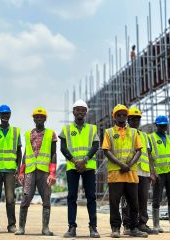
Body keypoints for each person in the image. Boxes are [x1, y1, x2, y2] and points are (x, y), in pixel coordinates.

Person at [102, 104, 147, 238]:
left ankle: (133, 228)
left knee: (134, 203)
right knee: (114, 203)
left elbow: (139, 150)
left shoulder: (133, 132)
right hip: (116, 173)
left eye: (124, 115)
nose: (122, 117)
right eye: (119, 115)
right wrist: (121, 164)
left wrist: (129, 165)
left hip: (131, 173)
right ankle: (115, 228)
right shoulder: (109, 132)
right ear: (114, 117)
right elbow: (106, 150)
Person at [59, 99, 100, 238]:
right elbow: (62, 147)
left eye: (83, 110)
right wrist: (75, 161)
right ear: (73, 112)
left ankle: (93, 228)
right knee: (71, 197)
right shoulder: (66, 129)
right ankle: (71, 227)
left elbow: (95, 146)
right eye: (78, 110)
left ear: (86, 112)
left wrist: (85, 160)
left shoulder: (92, 128)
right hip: (72, 166)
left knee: (91, 197)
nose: (80, 112)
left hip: (88, 167)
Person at [15, 107, 57, 236]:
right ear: (33, 119)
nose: (39, 119)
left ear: (45, 119)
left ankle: (45, 228)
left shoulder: (51, 134)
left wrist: (52, 173)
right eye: (37, 117)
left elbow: (53, 154)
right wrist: (21, 172)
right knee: (26, 197)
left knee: (46, 199)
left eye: (41, 117)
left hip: (44, 171)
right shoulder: (28, 134)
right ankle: (21, 228)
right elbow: (26, 154)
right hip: (30, 171)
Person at [121, 107, 158, 235]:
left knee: (143, 199)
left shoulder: (144, 135)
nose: (136, 121)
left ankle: (142, 223)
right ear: (128, 119)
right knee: (129, 199)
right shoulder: (124, 133)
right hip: (131, 171)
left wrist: (152, 172)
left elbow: (148, 154)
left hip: (144, 171)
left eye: (138, 119)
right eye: (133, 119)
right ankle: (127, 225)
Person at [0, 104, 22, 233]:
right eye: (2, 114)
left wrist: (18, 168)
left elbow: (19, 152)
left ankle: (11, 225)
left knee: (10, 198)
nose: (5, 116)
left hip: (10, 170)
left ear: (10, 115)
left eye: (7, 113)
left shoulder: (16, 131)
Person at [149, 115, 170, 233]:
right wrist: (152, 172)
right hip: (159, 173)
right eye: (161, 125)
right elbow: (149, 156)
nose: (163, 127)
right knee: (156, 198)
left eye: (165, 125)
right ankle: (156, 225)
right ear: (156, 125)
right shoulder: (151, 137)